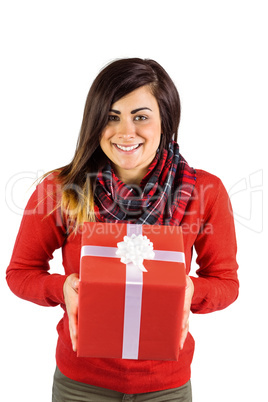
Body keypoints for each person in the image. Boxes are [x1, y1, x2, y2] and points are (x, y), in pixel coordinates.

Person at [6, 58, 239, 402]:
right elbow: (20, 273)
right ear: (95, 122)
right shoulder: (60, 189)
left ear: (166, 122)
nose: (125, 132)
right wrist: (63, 287)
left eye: (141, 117)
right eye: (111, 117)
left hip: (166, 386)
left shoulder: (204, 192)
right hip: (81, 385)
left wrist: (188, 289)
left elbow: (226, 283)